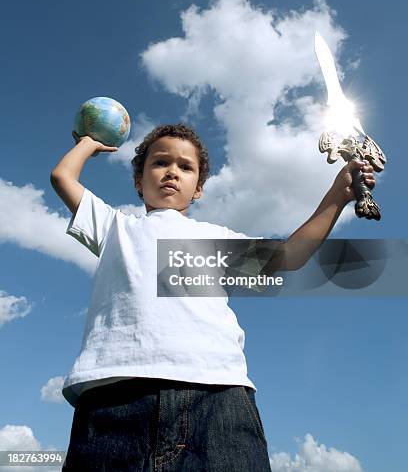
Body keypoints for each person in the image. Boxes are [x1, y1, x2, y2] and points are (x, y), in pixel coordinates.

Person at [51, 123, 375, 471]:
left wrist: (338, 196)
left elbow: (288, 256)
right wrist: (89, 143)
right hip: (116, 400)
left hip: (217, 398)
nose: (172, 171)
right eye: (160, 163)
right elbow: (63, 177)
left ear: (198, 189)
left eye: (185, 167)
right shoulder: (115, 227)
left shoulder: (216, 239)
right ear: (138, 181)